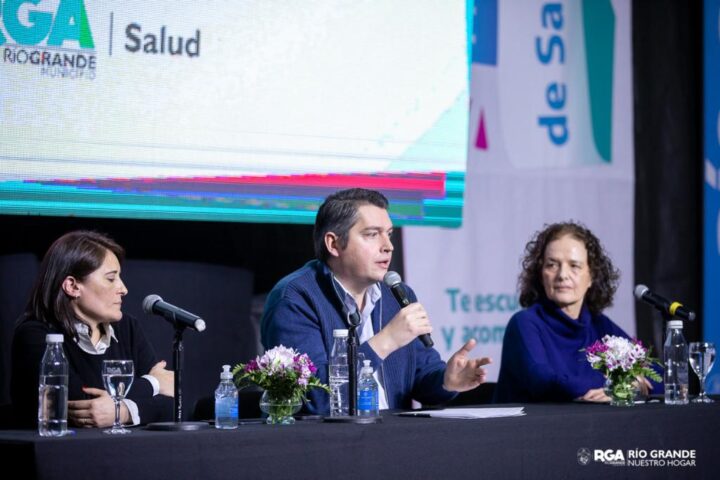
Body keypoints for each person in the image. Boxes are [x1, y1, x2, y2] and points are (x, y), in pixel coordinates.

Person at [261, 188, 491, 414]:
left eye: (389, 234)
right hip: (325, 445)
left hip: (390, 439)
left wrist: (447, 381)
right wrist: (386, 340)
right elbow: (314, 398)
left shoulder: (398, 296)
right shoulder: (295, 298)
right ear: (334, 244)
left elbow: (422, 378)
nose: (388, 246)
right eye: (372, 234)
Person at [11, 231, 174, 429]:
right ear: (72, 286)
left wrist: (122, 412)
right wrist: (153, 384)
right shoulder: (36, 335)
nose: (123, 289)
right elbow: (83, 405)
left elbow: (172, 403)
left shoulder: (128, 328)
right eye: (111, 278)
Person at [494, 221, 661, 403]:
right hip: (525, 430)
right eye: (552, 265)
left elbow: (658, 377)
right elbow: (545, 382)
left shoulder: (600, 325)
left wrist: (633, 385)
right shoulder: (524, 323)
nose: (562, 275)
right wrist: (619, 384)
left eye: (574, 265)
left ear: (591, 276)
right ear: (541, 275)